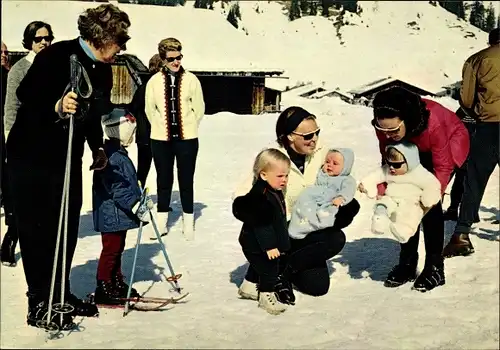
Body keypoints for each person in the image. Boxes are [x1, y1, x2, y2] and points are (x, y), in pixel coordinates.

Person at [6, 3, 131, 329]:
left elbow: (89, 114)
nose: (121, 49)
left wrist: (97, 147)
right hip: (31, 157)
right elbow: (26, 95)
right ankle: (39, 302)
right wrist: (57, 105)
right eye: (119, 42)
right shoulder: (56, 56)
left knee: (67, 226)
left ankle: (60, 292)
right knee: (37, 229)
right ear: (101, 37)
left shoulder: (103, 68)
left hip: (66, 157)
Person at [233, 106, 360, 299]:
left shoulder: (321, 153)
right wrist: (258, 213)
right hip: (281, 231)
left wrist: (344, 207)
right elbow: (241, 196)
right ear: (290, 136)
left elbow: (343, 179)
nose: (314, 139)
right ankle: (270, 270)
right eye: (308, 135)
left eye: (317, 132)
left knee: (320, 281)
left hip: (308, 228)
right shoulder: (272, 157)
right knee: (315, 282)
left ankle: (285, 270)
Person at [371, 86, 469, 292]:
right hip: (411, 147)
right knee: (401, 196)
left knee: (428, 204)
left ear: (407, 119)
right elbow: (387, 156)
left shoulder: (433, 123)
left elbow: (443, 166)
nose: (388, 135)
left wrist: (433, 194)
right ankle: (407, 263)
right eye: (383, 130)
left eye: (393, 130)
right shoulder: (385, 125)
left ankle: (435, 267)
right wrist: (384, 184)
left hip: (447, 143)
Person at [1, 21, 54, 267]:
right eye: (38, 38)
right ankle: (11, 239)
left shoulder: (56, 66)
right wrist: (10, 140)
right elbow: (11, 108)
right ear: (29, 42)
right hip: (23, 139)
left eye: (47, 38)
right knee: (23, 194)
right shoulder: (20, 69)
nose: (44, 42)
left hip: (49, 140)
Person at [443, 27, 500, 258]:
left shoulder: (477, 59)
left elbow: (466, 98)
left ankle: (462, 234)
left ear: (490, 42)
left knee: (474, 180)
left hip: (489, 126)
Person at [145, 37, 205, 241]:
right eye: (171, 59)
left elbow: (199, 108)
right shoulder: (153, 82)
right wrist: (160, 127)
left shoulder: (191, 79)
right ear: (162, 59)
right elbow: (149, 109)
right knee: (163, 179)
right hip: (160, 139)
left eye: (178, 57)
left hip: (187, 139)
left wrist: (189, 126)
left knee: (186, 179)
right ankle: (162, 222)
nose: (176, 62)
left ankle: (189, 223)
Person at [92, 109, 153, 305]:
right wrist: (134, 204)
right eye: (131, 133)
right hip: (112, 214)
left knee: (117, 249)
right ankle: (103, 286)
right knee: (111, 251)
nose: (133, 137)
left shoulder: (118, 153)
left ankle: (115, 281)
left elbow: (127, 184)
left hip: (119, 214)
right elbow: (116, 188)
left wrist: (140, 199)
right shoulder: (111, 157)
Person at [233, 148, 291, 315]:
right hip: (255, 241)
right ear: (264, 175)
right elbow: (261, 224)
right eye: (280, 176)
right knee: (269, 268)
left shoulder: (272, 190)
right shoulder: (260, 196)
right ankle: (267, 296)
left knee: (260, 264)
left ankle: (248, 287)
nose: (284, 180)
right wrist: (270, 246)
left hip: (258, 242)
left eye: (286, 176)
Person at [359, 142, 441, 243]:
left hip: (410, 201)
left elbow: (432, 184)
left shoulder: (419, 173)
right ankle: (379, 222)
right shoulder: (388, 170)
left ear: (410, 162)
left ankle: (404, 232)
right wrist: (367, 185)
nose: (392, 168)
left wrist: (428, 199)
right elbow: (375, 175)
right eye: (389, 163)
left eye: (397, 165)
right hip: (391, 197)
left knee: (412, 215)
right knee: (382, 205)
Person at [288, 148, 356, 239]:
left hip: (329, 199)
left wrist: (341, 197)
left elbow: (348, 191)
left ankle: (315, 224)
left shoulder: (346, 179)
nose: (329, 165)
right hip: (314, 196)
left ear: (345, 167)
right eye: (327, 162)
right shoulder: (322, 173)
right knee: (304, 201)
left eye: (335, 163)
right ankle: (299, 224)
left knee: (327, 212)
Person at [129, 53, 162, 189]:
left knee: (143, 169)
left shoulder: (143, 87)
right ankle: (160, 200)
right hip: (153, 135)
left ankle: (138, 195)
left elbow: (132, 107)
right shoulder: (154, 88)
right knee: (161, 169)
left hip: (144, 136)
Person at [442, 106, 478, 222]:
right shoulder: (464, 109)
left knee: (462, 182)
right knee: (448, 182)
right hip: (456, 151)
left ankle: (466, 211)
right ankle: (454, 210)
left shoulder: (482, 111)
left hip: (468, 151)